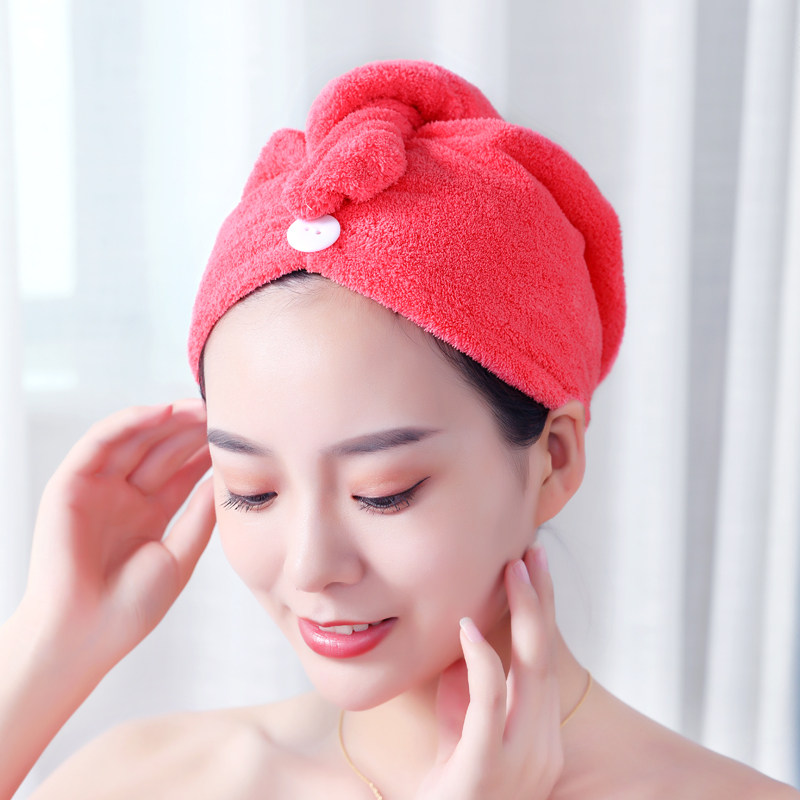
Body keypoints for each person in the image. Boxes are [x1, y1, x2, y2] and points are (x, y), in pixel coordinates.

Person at [1, 60, 796, 800]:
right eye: (251, 492)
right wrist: (49, 646)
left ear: (553, 459)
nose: (311, 567)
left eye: (383, 492)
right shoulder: (141, 778)